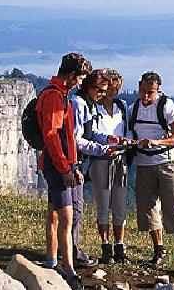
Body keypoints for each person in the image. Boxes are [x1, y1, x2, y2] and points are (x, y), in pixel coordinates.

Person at [36, 52, 92, 289]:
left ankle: (51, 261)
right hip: (55, 163)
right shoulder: (54, 97)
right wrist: (64, 169)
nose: (80, 83)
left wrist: (74, 165)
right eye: (79, 78)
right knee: (67, 217)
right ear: (71, 75)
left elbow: (65, 137)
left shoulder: (61, 95)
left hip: (61, 163)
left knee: (55, 215)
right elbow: (52, 136)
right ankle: (68, 269)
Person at [129, 71, 174, 276]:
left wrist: (158, 142)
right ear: (138, 87)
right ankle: (159, 251)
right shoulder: (133, 108)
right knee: (149, 209)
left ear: (158, 91)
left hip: (167, 162)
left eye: (151, 93)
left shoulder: (166, 106)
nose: (146, 97)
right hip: (144, 162)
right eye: (143, 92)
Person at [70, 68, 119, 267]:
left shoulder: (88, 104)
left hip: (80, 161)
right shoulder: (78, 104)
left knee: (75, 209)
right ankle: (72, 252)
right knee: (75, 209)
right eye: (99, 90)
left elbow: (92, 131)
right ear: (89, 87)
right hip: (73, 161)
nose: (102, 95)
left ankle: (69, 248)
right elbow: (76, 139)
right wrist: (101, 150)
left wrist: (108, 139)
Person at [90, 69, 131, 264]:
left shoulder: (122, 106)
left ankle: (119, 245)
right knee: (103, 204)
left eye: (116, 90)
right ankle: (105, 245)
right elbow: (91, 133)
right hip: (101, 159)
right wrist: (107, 143)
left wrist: (127, 143)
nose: (113, 94)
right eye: (110, 89)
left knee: (120, 204)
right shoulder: (93, 108)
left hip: (120, 158)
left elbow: (129, 129)